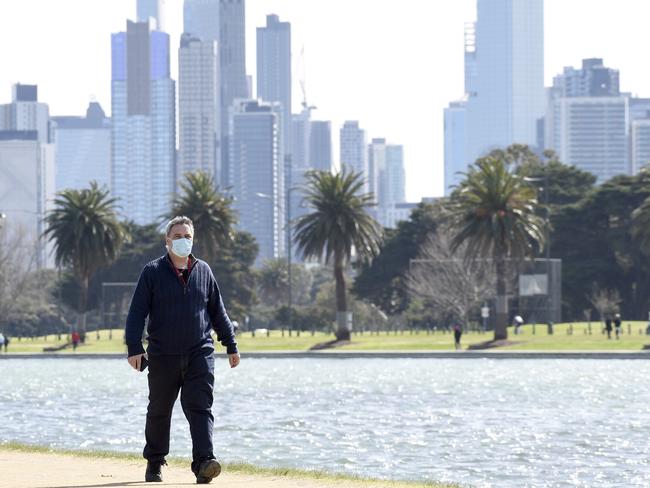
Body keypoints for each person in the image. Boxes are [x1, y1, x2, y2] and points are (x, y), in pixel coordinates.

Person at [125, 216, 240, 484]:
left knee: (200, 407)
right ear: (167, 241)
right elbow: (136, 313)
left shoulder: (204, 271)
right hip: (163, 354)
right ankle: (154, 462)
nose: (183, 240)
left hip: (200, 353)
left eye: (187, 236)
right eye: (177, 236)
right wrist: (134, 347)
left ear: (193, 239)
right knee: (159, 410)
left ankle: (204, 462)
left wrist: (231, 345)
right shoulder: (152, 272)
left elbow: (218, 313)